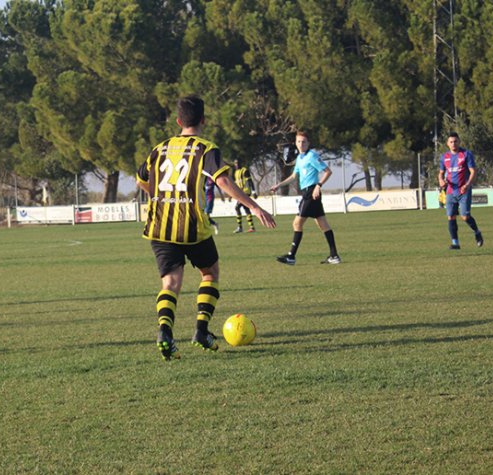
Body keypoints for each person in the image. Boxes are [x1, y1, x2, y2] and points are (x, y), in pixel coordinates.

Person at [136, 96, 276, 361]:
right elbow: (222, 181)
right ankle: (201, 330)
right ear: (203, 120)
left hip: (159, 226)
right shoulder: (205, 148)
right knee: (210, 273)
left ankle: (165, 332)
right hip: (190, 225)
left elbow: (142, 179)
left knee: (171, 282)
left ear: (178, 121)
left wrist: (162, 198)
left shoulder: (159, 148)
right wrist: (255, 207)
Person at [270, 131, 341, 265]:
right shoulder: (300, 158)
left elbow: (328, 171)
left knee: (297, 223)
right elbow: (294, 176)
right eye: (298, 142)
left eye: (304, 142)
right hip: (308, 192)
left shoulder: (312, 156)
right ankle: (334, 256)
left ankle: (291, 256)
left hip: (311, 193)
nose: (301, 144)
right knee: (322, 224)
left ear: (308, 143)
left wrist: (318, 186)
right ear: (295, 143)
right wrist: (279, 185)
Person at [439, 132, 483, 249]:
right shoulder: (444, 157)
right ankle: (455, 243)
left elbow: (473, 171)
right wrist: (441, 181)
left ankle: (477, 232)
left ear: (459, 142)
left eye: (455, 141)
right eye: (451, 142)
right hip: (450, 191)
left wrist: (467, 184)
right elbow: (441, 173)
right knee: (451, 216)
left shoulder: (466, 154)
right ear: (447, 144)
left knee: (465, 217)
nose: (454, 144)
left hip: (464, 190)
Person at [232, 159, 258, 233]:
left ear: (240, 163)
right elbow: (235, 184)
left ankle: (240, 227)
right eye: (235, 163)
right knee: (246, 209)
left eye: (237, 163)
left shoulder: (244, 170)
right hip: (240, 193)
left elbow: (250, 181)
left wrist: (253, 191)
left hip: (245, 192)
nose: (236, 164)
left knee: (237, 207)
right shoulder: (236, 172)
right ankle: (252, 227)